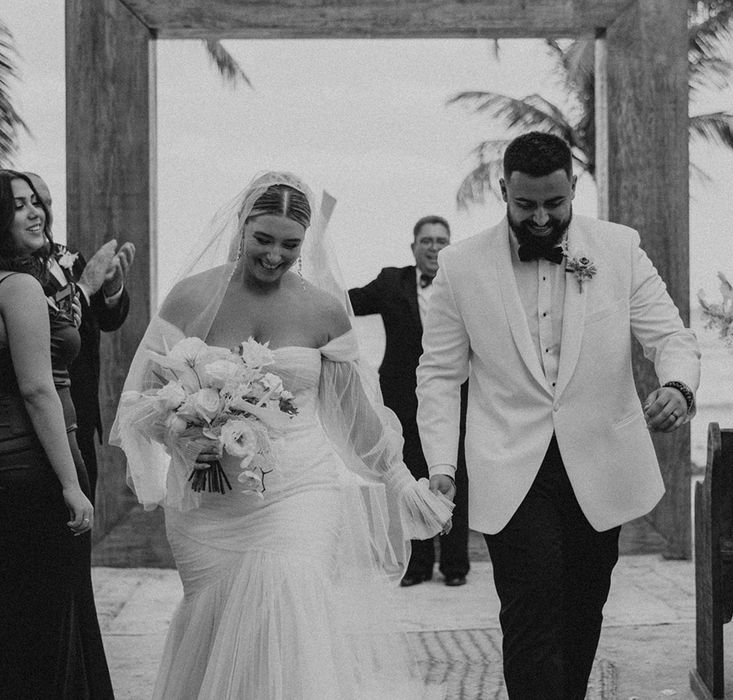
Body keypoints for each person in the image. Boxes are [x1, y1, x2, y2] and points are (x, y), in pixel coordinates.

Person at [110, 171, 453, 699]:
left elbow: (355, 414)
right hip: (210, 502)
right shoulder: (189, 299)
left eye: (290, 245)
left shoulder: (322, 310)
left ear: (306, 242)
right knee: (216, 627)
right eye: (263, 239)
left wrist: (404, 483)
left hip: (299, 490)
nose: (274, 255)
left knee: (288, 604)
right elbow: (142, 402)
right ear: (241, 227)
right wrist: (183, 436)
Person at [416, 132, 701, 699]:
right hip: (510, 465)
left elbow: (670, 336)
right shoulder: (460, 265)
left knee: (582, 608)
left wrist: (678, 387)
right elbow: (440, 376)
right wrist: (441, 465)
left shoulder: (618, 248)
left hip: (599, 460)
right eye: (526, 205)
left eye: (555, 203)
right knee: (530, 610)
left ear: (573, 188)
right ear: (504, 191)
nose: (542, 218)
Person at [0, 170, 114, 698]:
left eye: (35, 202)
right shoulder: (18, 287)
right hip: (39, 466)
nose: (35, 211)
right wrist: (71, 484)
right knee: (55, 616)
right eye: (18, 205)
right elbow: (37, 390)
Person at [349, 215, 470, 587]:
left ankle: (455, 566)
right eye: (427, 241)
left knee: (453, 474)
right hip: (401, 398)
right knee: (410, 476)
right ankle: (417, 566)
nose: (435, 247)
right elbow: (346, 303)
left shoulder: (464, 284)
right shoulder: (390, 282)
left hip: (454, 397)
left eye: (441, 241)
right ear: (413, 247)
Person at [24, 172, 133, 503]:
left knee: (81, 524)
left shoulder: (68, 257)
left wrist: (112, 291)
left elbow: (102, 320)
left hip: (81, 414)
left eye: (44, 202)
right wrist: (84, 290)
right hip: (34, 421)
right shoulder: (13, 270)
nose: (38, 211)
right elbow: (50, 327)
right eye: (25, 204)